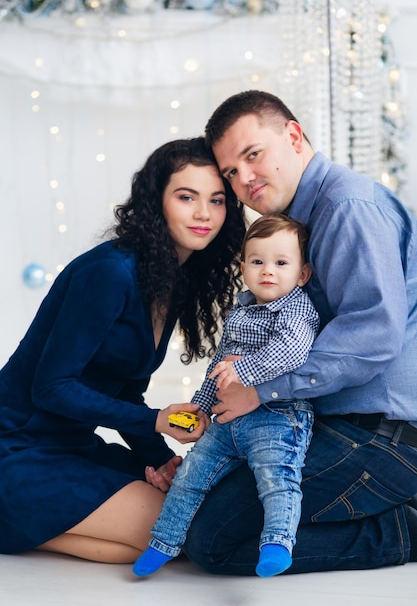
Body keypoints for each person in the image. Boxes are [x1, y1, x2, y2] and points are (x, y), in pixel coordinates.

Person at [182, 90, 417, 575]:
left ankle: (403, 529)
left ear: (292, 135)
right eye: (230, 172)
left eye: (253, 155)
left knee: (211, 540)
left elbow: (372, 334)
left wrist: (260, 390)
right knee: (197, 498)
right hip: (333, 419)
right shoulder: (292, 228)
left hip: (387, 435)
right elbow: (267, 344)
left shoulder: (347, 207)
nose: (243, 180)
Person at [0, 137, 246, 563]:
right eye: (187, 197)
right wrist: (156, 421)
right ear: (157, 202)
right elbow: (52, 388)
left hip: (72, 446)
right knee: (177, 532)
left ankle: (20, 527)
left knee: (186, 522)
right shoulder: (110, 273)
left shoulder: (170, 280)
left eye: (217, 200)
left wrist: (163, 460)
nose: (205, 214)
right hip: (18, 447)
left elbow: (124, 393)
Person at [133, 213, 319, 578]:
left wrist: (244, 370)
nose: (268, 271)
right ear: (244, 268)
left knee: (276, 479)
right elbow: (219, 365)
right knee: (191, 477)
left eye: (281, 263)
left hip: (276, 416)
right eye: (258, 261)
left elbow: (293, 350)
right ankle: (163, 543)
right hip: (228, 421)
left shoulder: (296, 309)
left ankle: (278, 543)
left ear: (302, 275)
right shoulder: (241, 310)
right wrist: (202, 407)